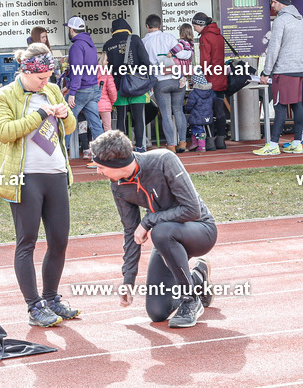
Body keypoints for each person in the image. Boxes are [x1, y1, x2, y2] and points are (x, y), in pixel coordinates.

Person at [0, 42, 78, 327]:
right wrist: (39, 115)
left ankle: (51, 298)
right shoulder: (3, 96)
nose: (46, 83)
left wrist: (65, 116)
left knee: (60, 240)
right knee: (27, 241)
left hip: (55, 174)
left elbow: (71, 127)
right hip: (24, 178)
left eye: (49, 77)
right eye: (41, 78)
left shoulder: (50, 90)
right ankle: (34, 306)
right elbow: (3, 132)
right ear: (25, 72)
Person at [89, 130, 216, 328]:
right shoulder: (118, 186)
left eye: (101, 167)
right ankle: (198, 278)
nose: (98, 172)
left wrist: (149, 220)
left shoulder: (164, 160)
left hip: (200, 230)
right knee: (157, 312)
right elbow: (131, 231)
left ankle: (191, 300)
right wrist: (128, 281)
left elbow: (192, 210)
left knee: (160, 231)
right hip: (166, 238)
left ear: (117, 163)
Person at [253, 0, 303, 156]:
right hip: (299, 69)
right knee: (297, 104)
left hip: (283, 70)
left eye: (273, 2)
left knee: (279, 107)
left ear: (280, 3)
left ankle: (273, 144)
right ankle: (298, 143)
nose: (272, 6)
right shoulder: (301, 20)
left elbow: (274, 48)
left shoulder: (280, 21)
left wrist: (266, 72)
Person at [102, 18, 151, 152]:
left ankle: (123, 148)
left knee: (121, 117)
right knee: (138, 116)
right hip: (137, 84)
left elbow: (107, 67)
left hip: (118, 85)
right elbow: (145, 61)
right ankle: (140, 146)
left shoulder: (108, 44)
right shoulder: (134, 39)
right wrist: (148, 79)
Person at [142, 14, 187, 153]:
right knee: (179, 110)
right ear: (160, 25)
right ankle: (183, 143)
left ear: (147, 26)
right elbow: (181, 54)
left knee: (166, 113)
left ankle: (171, 145)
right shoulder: (169, 37)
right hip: (177, 79)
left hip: (160, 81)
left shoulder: (144, 42)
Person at [61, 16, 105, 159]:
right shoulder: (90, 44)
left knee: (67, 122)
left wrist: (72, 91)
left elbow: (78, 70)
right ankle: (102, 156)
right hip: (92, 87)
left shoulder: (76, 46)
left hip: (81, 90)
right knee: (96, 125)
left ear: (71, 30)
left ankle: (60, 156)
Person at [192, 13, 228, 150]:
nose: (194, 29)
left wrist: (201, 77)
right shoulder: (219, 35)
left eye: (195, 25)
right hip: (220, 77)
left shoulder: (205, 37)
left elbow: (205, 60)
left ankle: (211, 142)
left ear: (201, 24)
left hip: (210, 79)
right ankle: (221, 140)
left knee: (206, 112)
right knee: (219, 110)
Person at [183, 74, 214, 152]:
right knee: (199, 129)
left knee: (198, 130)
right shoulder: (210, 92)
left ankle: (201, 146)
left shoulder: (194, 93)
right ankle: (196, 143)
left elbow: (190, 104)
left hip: (196, 115)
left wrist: (186, 109)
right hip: (207, 115)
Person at [97, 51, 118, 133]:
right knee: (107, 128)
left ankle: (95, 144)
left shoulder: (89, 73)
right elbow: (112, 91)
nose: (107, 62)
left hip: (93, 105)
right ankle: (108, 145)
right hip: (105, 105)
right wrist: (111, 102)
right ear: (101, 61)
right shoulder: (107, 74)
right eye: (106, 60)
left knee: (95, 128)